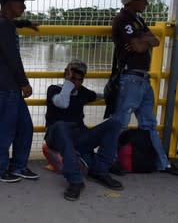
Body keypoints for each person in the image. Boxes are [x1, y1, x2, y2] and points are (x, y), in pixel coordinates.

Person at [110, 0, 178, 175]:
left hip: (141, 78)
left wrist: (142, 40)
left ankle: (162, 163)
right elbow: (140, 47)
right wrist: (143, 40)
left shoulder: (136, 19)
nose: (147, 2)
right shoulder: (124, 20)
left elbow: (154, 41)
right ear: (132, 1)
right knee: (120, 121)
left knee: (148, 123)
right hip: (131, 77)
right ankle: (109, 160)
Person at [44, 59, 123, 201]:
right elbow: (62, 103)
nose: (75, 83)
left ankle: (100, 169)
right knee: (62, 126)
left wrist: (115, 92)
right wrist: (68, 82)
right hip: (56, 135)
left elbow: (100, 96)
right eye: (72, 79)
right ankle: (75, 180)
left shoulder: (83, 92)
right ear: (66, 76)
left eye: (79, 80)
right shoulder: (54, 89)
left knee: (115, 123)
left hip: (79, 136)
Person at [0, 0, 39, 183]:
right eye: (21, 2)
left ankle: (18, 166)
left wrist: (24, 23)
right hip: (5, 88)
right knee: (4, 130)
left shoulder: (1, 23)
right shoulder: (4, 26)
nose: (24, 6)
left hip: (9, 89)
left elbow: (9, 26)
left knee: (25, 127)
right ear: (9, 4)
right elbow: (12, 57)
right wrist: (24, 83)